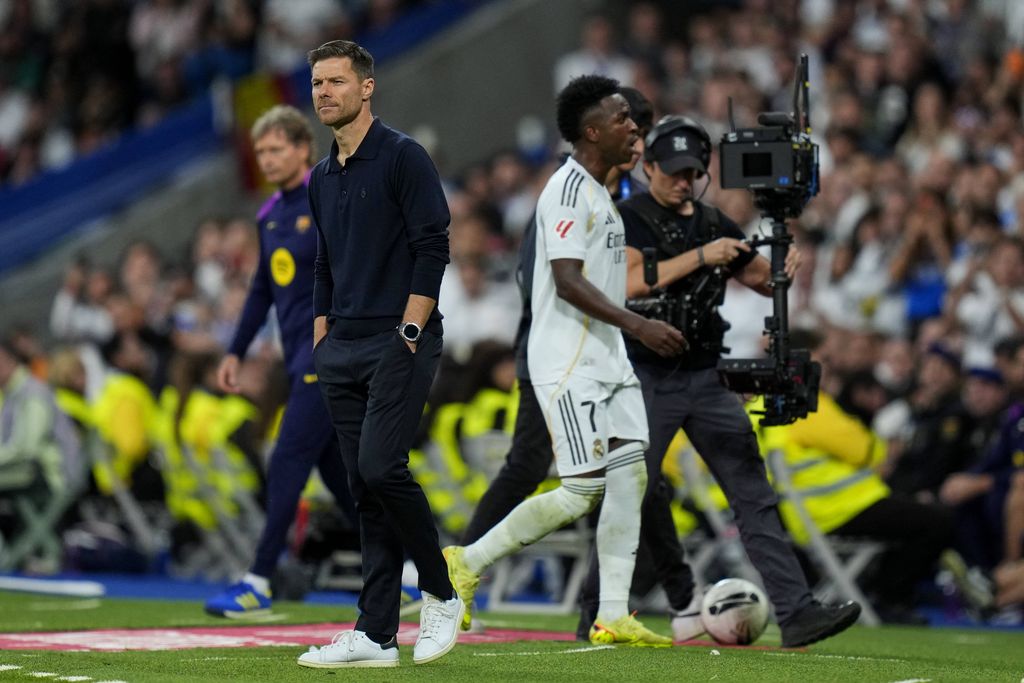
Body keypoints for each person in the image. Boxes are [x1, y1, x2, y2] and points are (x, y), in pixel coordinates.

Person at [444, 74, 686, 647]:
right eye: (624, 119)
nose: (635, 128)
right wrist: (639, 324)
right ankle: (467, 559)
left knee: (630, 478)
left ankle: (612, 613)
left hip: (611, 359)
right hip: (568, 361)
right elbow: (567, 281)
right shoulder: (568, 190)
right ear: (592, 130)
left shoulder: (603, 192)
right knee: (582, 490)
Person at [615, 114, 861, 648]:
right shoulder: (627, 218)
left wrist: (782, 266)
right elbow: (630, 282)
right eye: (674, 171)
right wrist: (705, 256)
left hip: (705, 376)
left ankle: (797, 613)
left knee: (753, 493)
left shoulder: (713, 222)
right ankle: (598, 606)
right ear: (649, 167)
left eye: (692, 171)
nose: (683, 180)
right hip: (646, 376)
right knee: (629, 493)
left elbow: (757, 278)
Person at [300, 39, 461, 668]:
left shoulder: (403, 157)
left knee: (380, 467)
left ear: (367, 88)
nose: (324, 94)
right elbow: (324, 264)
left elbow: (433, 246)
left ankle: (441, 592)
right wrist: (321, 336)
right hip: (340, 345)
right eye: (317, 83)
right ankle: (375, 634)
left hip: (400, 340)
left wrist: (411, 332)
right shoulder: (321, 176)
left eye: (336, 82)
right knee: (363, 489)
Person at [203, 104, 355, 619]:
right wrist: (234, 350)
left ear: (302, 148)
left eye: (275, 149)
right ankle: (403, 569)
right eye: (260, 151)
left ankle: (258, 579)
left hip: (328, 358)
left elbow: (353, 270)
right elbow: (262, 291)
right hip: (296, 364)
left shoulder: (328, 195)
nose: (266, 159)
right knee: (341, 478)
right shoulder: (269, 216)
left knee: (287, 459)